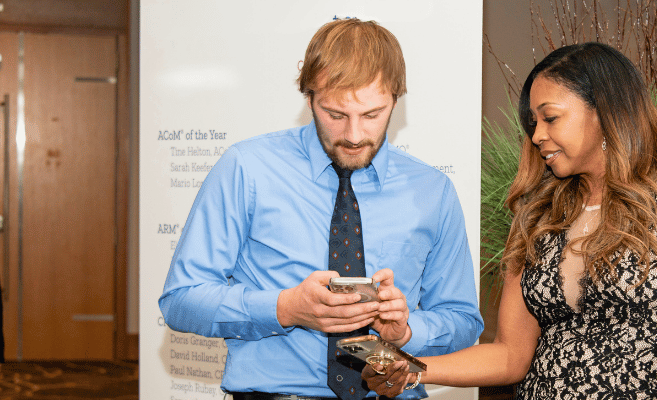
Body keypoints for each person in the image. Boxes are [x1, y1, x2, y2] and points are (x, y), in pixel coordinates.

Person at [363, 42, 657, 399]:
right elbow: (510, 355)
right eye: (533, 122)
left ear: (605, 112)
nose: (538, 134)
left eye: (551, 117)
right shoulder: (540, 214)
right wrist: (411, 367)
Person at [159, 18, 483, 400]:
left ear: (396, 98)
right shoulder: (247, 168)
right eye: (335, 114)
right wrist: (285, 308)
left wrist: (407, 331)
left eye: (373, 115)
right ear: (309, 97)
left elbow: (463, 322)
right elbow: (181, 300)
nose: (354, 135)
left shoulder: (432, 191)